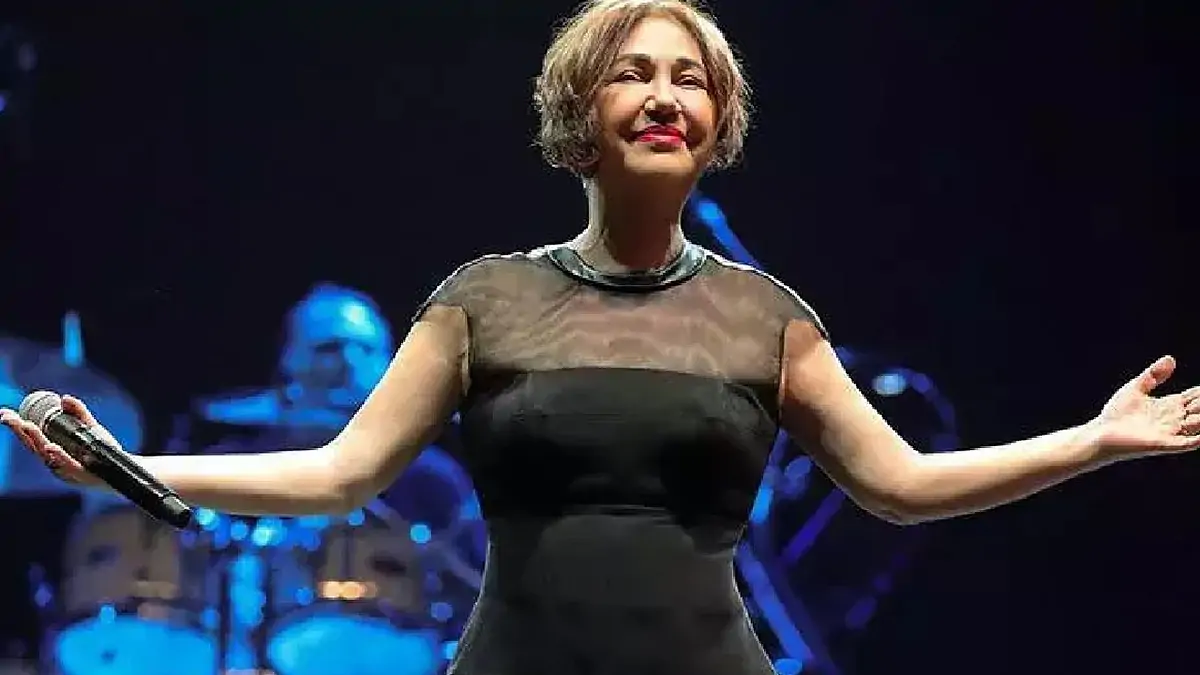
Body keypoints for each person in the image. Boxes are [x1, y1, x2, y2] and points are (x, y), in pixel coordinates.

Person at [3, 0, 1199, 672]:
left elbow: (903, 485)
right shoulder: (483, 298)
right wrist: (126, 466)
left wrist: (1094, 441)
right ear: (582, 114)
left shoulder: (766, 314)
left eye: (693, 78)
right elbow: (337, 473)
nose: (667, 94)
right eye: (635, 73)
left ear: (718, 122)